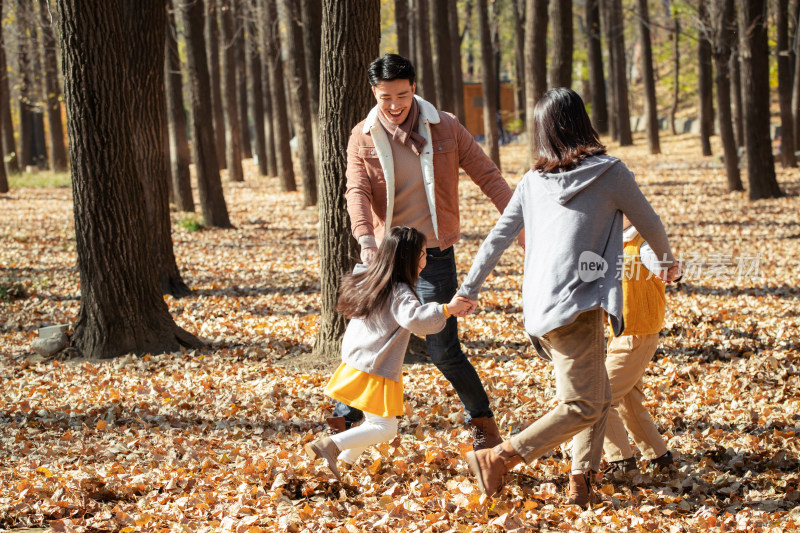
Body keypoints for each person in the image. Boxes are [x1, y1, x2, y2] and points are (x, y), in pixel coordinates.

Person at [455, 87, 681, 505]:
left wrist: (468, 290)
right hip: (579, 307)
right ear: (582, 123)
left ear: (543, 132)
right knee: (582, 405)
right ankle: (500, 457)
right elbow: (650, 223)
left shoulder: (531, 182)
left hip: (540, 310)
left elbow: (497, 238)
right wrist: (667, 263)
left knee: (597, 397)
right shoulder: (610, 172)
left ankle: (581, 486)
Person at [334, 53, 517, 450]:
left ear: (414, 88)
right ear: (374, 93)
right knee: (368, 340)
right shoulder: (361, 135)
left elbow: (487, 174)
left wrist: (519, 222)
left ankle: (483, 426)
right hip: (385, 255)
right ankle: (342, 426)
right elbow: (357, 191)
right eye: (385, 98)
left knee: (441, 345)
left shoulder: (444, 126)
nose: (395, 105)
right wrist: (365, 238)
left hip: (433, 253)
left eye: (402, 94)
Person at [305, 226, 474, 480]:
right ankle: (329, 445)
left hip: (363, 361)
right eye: (423, 253)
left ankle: (344, 463)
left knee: (376, 423)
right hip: (374, 365)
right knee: (385, 428)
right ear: (411, 258)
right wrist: (447, 309)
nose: (426, 259)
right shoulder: (400, 291)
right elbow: (416, 319)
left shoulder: (376, 278)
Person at [594, 216, 678, 480]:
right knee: (629, 404)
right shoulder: (612, 243)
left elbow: (665, 266)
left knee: (599, 399)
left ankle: (623, 464)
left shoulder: (643, 243)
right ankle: (660, 458)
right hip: (621, 334)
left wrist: (671, 269)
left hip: (638, 335)